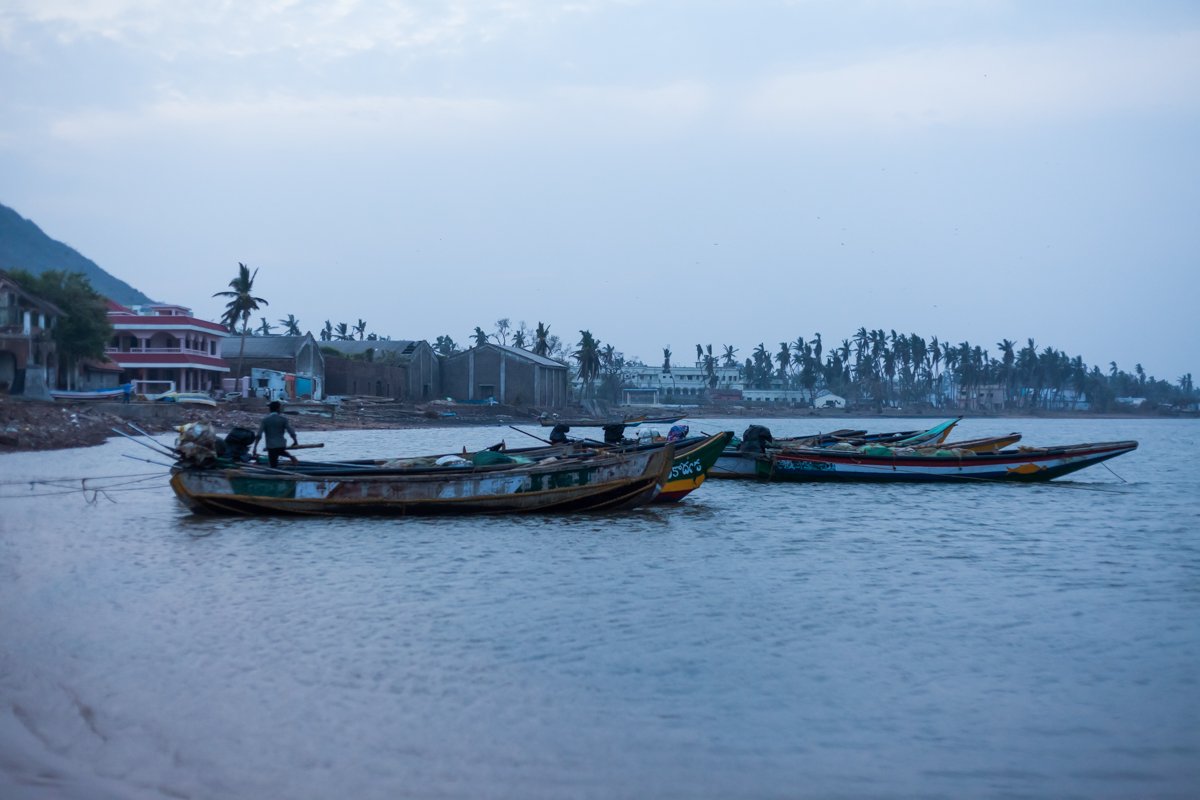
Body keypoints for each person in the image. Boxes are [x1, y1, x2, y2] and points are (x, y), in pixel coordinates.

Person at [252, 400, 299, 468]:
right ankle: (290, 457)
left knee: (273, 465)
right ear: (278, 409)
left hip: (271, 446)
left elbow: (259, 435)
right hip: (281, 444)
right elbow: (291, 431)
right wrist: (295, 441)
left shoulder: (265, 420)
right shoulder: (283, 419)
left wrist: (255, 448)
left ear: (270, 409)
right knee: (280, 451)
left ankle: (275, 472)